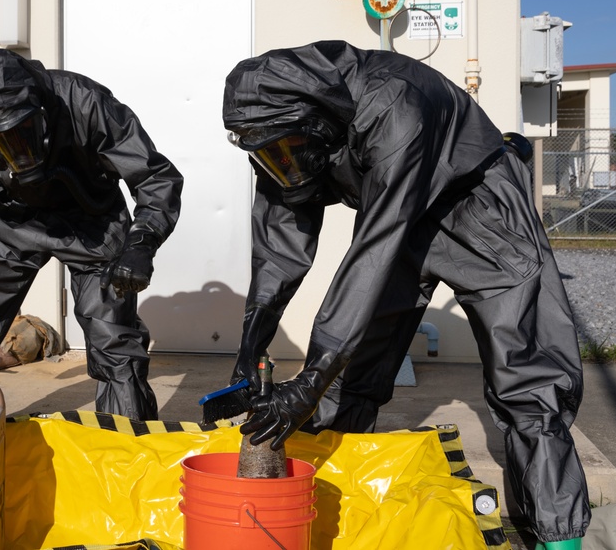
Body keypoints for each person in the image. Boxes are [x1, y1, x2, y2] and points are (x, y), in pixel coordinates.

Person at [222, 40, 588, 549]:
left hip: (478, 207)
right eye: (266, 154)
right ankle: (335, 504)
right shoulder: (283, 136)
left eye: (284, 148)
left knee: (525, 372)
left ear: (319, 121)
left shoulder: (394, 101)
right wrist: (249, 349)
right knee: (349, 375)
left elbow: (375, 247)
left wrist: (308, 375)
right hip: (396, 218)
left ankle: (556, 535)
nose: (280, 163)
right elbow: (279, 251)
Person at [0, 49, 183, 420]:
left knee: (113, 342)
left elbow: (154, 177)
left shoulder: (83, 102)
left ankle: (125, 447)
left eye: (23, 131)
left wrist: (142, 243)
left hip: (94, 225)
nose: (17, 146)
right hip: (15, 221)